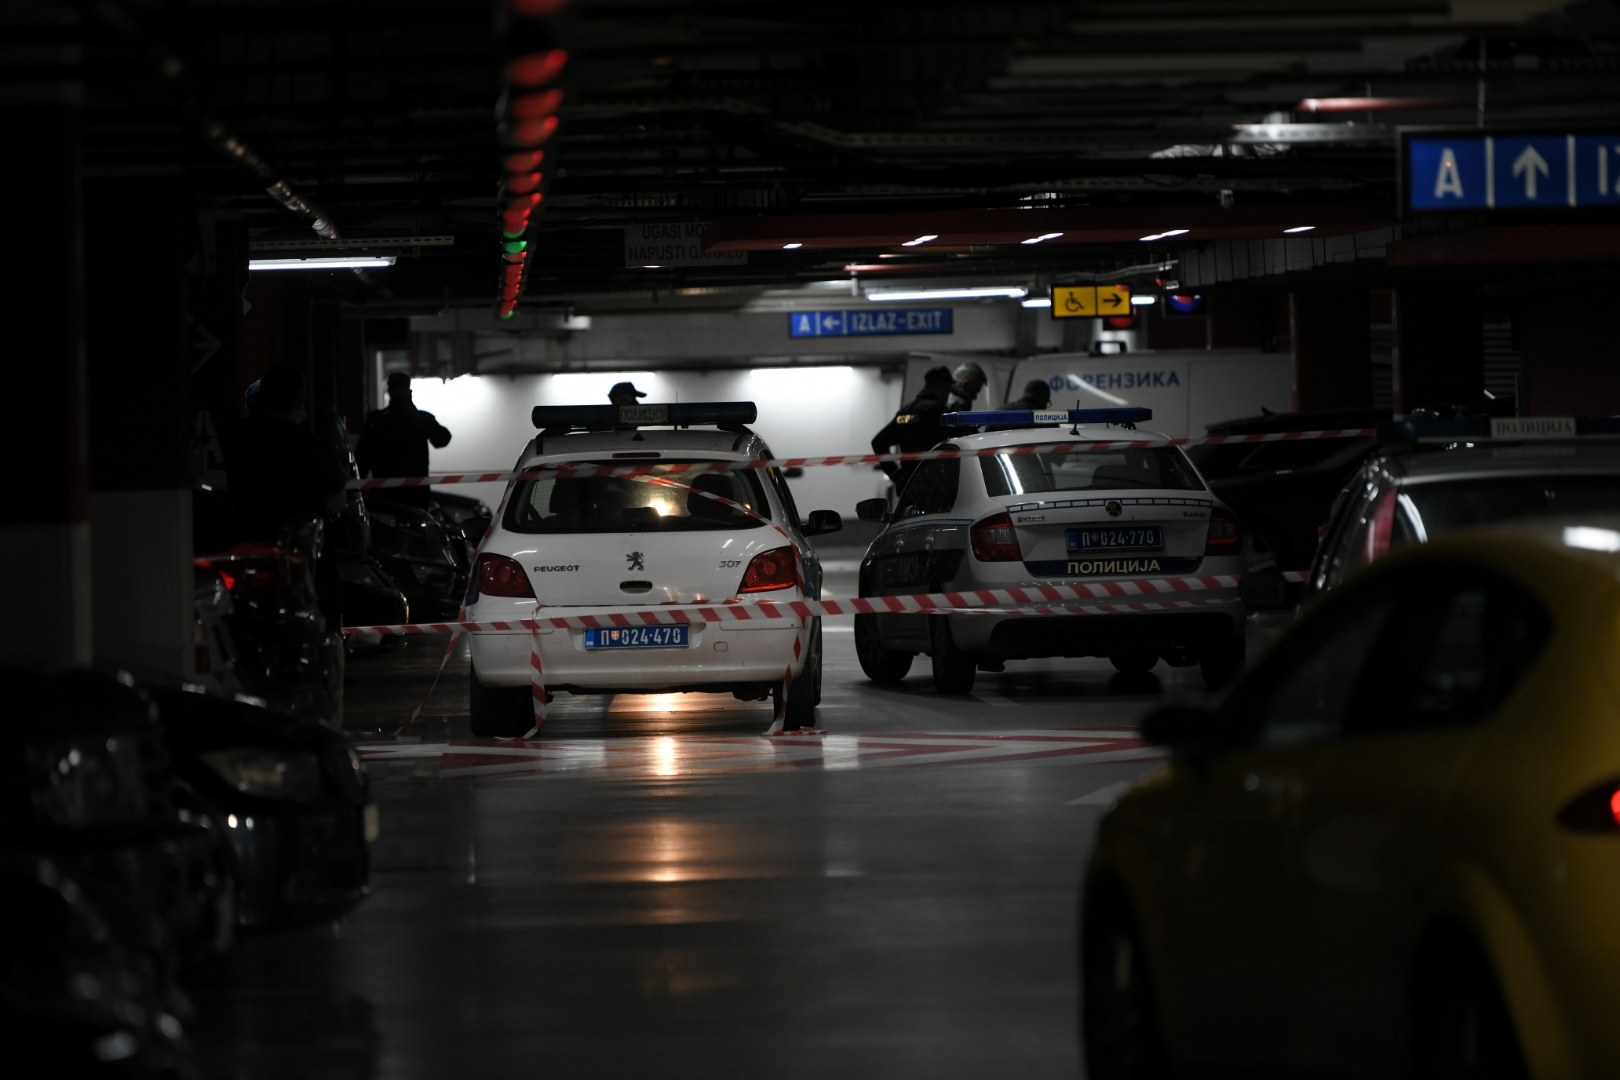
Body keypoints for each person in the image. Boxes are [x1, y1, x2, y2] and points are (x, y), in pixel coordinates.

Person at [224, 363, 349, 540]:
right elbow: (338, 499)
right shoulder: (316, 447)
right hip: (300, 546)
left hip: (247, 543)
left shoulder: (235, 438)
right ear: (300, 402)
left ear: (262, 398)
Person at [356, 372, 452, 508]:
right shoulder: (379, 420)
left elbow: (442, 439)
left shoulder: (379, 420)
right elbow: (362, 457)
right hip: (400, 493)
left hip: (395, 493)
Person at [870, 365, 955, 493]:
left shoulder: (904, 413)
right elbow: (952, 444)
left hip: (910, 487)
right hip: (935, 486)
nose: (947, 394)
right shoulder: (937, 410)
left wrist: (896, 475)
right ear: (942, 387)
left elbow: (878, 442)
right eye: (948, 389)